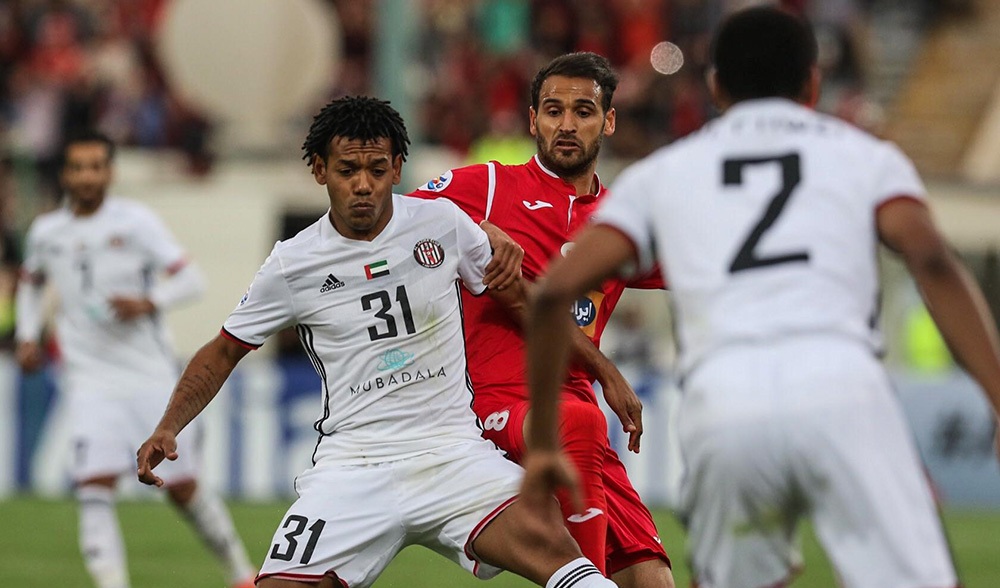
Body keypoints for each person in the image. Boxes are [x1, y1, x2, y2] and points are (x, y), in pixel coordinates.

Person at [523, 7, 1000, 588]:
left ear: (717, 85)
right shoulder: (863, 155)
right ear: (813, 83)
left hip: (726, 403)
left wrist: (546, 439)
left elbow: (551, 298)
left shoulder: (665, 173)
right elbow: (931, 260)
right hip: (843, 390)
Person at [136, 96, 619, 588]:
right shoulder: (293, 263)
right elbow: (224, 349)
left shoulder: (444, 225)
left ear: (397, 168)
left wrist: (604, 370)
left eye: (377, 168)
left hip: (453, 455)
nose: (363, 184)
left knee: (570, 565)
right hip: (353, 467)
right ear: (320, 170)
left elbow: (525, 304)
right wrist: (169, 425)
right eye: (348, 170)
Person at [409, 52, 673, 588]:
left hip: (577, 418)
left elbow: (713, 266)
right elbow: (396, 222)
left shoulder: (623, 221)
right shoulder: (485, 185)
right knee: (580, 420)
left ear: (610, 121)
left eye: (583, 111)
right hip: (495, 402)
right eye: (553, 111)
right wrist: (472, 226)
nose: (567, 125)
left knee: (653, 581)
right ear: (533, 120)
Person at [14, 129, 256, 588]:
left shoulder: (135, 222)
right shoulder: (47, 232)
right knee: (94, 485)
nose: (87, 176)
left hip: (148, 376)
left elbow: (192, 281)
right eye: (78, 167)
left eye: (96, 167)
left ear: (109, 172)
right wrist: (28, 335)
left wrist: (149, 301)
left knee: (183, 488)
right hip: (88, 380)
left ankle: (241, 575)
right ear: (66, 174)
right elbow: (31, 283)